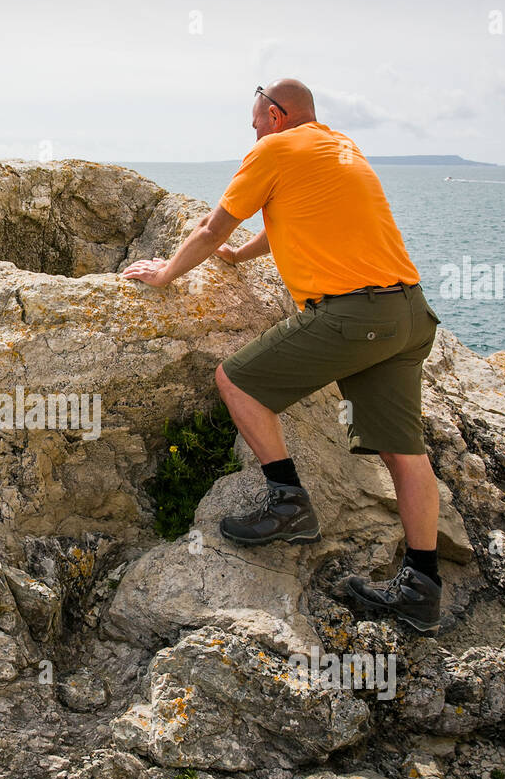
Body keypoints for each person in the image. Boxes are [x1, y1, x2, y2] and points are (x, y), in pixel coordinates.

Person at [122, 78, 446, 635]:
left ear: (274, 115)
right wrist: (240, 257)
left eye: (253, 123)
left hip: (353, 316)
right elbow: (287, 219)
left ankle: (288, 502)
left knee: (237, 381)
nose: (250, 134)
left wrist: (167, 272)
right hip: (409, 314)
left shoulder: (272, 149)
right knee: (403, 454)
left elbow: (211, 224)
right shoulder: (340, 148)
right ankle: (422, 588)